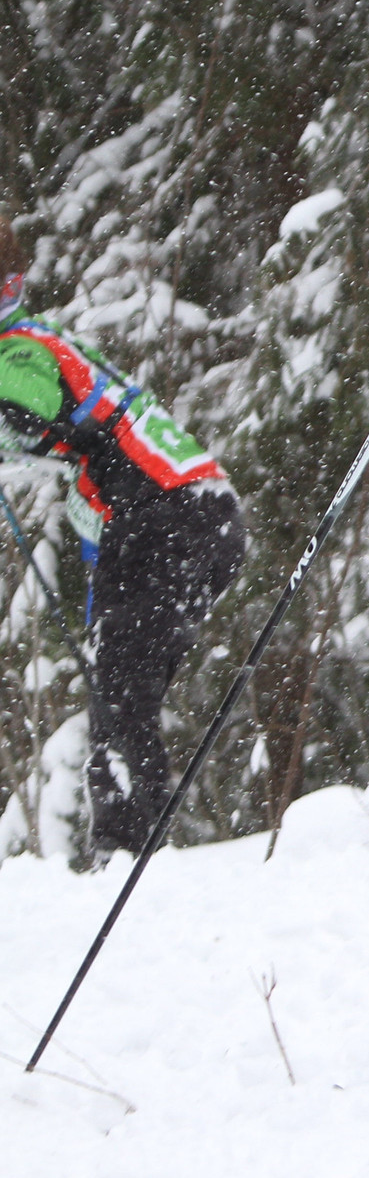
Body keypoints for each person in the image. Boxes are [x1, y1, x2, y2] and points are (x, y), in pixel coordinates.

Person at [0, 219, 247, 864]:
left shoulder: (24, 346)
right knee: (119, 684)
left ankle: (127, 852)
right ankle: (123, 845)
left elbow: (27, 409)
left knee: (122, 692)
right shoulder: (43, 356)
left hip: (173, 510)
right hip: (185, 514)